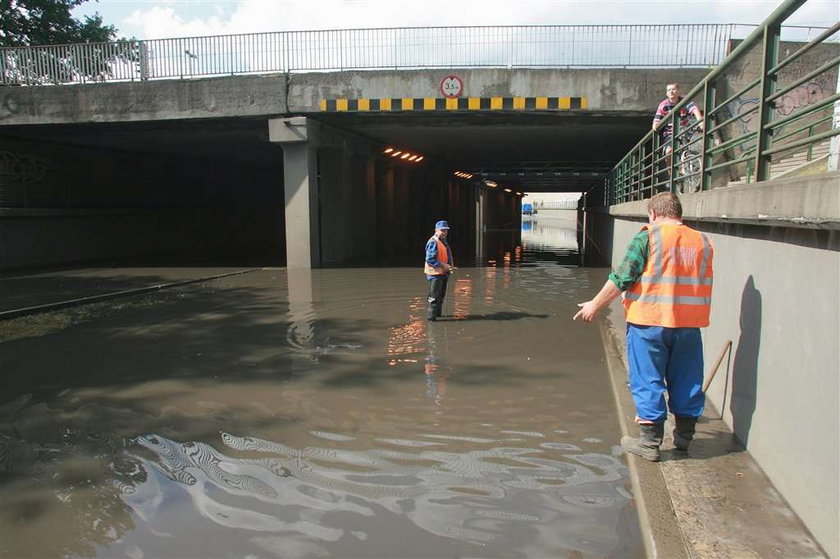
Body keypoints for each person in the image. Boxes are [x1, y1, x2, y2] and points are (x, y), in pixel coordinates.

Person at [573, 192, 713, 462]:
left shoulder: (648, 237)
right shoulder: (703, 241)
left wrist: (595, 304)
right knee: (687, 379)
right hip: (688, 324)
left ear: (653, 213)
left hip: (649, 322)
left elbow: (622, 277)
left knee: (647, 379)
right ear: (678, 213)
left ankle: (649, 444)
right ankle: (684, 439)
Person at [653, 83, 705, 173]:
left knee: (697, 144)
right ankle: (671, 174)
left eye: (673, 89)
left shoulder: (684, 100)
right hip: (670, 132)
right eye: (669, 90)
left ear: (678, 91)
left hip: (685, 130)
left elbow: (694, 109)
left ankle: (692, 163)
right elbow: (657, 120)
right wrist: (655, 125)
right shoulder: (663, 105)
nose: (671, 92)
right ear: (666, 93)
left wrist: (700, 122)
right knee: (669, 152)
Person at [424, 220, 453, 321]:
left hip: (442, 273)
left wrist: (447, 267)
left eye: (446, 230)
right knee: (434, 298)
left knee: (440, 297)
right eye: (442, 230)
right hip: (435, 275)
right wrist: (443, 265)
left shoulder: (442, 241)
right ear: (436, 230)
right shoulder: (433, 241)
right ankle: (431, 319)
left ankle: (438, 316)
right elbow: (430, 259)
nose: (444, 232)